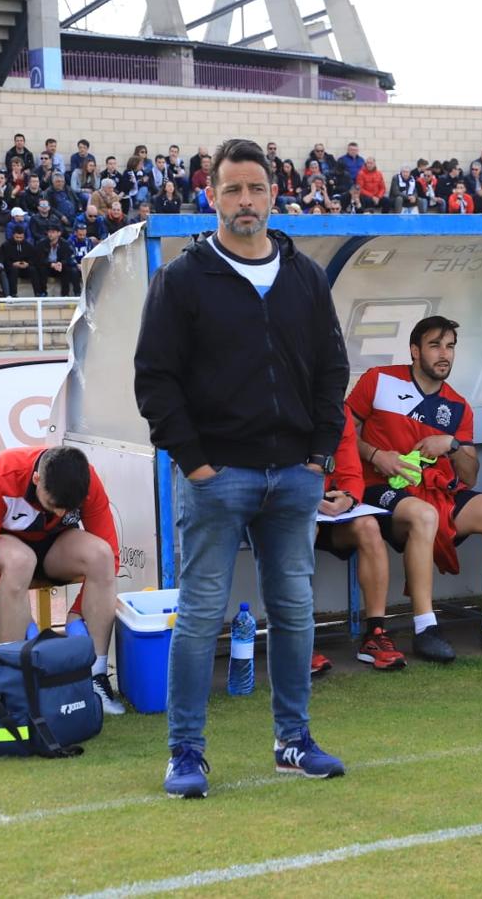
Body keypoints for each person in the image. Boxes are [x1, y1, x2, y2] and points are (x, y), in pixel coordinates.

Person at [135, 138, 349, 797]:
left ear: (273, 194)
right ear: (212, 196)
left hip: (294, 475)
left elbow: (331, 369)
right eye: (232, 190)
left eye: (255, 188)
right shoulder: (184, 277)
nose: (245, 201)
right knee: (201, 617)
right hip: (216, 476)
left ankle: (293, 740)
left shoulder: (305, 275)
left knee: (294, 611)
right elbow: (155, 378)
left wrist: (319, 454)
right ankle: (186, 754)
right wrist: (194, 463)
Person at [346, 316, 482, 662]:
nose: (444, 354)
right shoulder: (378, 380)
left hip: (437, 492)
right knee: (424, 515)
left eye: (450, 347)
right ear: (415, 351)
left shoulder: (458, 405)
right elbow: (342, 433)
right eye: (435, 345)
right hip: (379, 489)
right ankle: (425, 627)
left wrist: (454, 445)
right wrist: (375, 454)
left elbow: (471, 477)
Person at [0, 446, 123, 714]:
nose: (59, 515)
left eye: (67, 510)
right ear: (36, 479)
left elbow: (111, 552)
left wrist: (78, 612)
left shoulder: (87, 479)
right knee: (20, 561)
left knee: (101, 555)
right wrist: (24, 621)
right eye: (52, 505)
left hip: (54, 548)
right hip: (7, 547)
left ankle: (95, 676)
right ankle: (14, 680)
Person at [311, 415, 403, 672]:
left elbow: (351, 471)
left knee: (369, 527)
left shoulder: (336, 410)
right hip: (286, 504)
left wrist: (348, 499)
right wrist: (306, 497)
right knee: (305, 529)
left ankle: (375, 634)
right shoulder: (281, 398)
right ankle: (297, 639)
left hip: (327, 506)